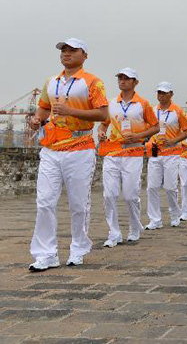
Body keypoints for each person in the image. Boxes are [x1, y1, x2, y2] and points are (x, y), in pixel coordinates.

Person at [28, 38, 108, 271]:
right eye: (64, 50)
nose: (67, 53)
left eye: (73, 50)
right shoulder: (51, 82)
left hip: (79, 148)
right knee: (44, 202)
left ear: (85, 55)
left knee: (78, 204)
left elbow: (103, 115)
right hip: (51, 149)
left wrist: (71, 110)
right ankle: (46, 254)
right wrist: (37, 120)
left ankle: (78, 248)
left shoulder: (93, 83)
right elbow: (43, 108)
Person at [98, 68, 159, 246]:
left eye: (127, 78)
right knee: (109, 194)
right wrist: (101, 133)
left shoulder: (143, 104)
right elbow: (103, 125)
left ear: (135, 83)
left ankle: (134, 228)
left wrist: (140, 136)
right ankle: (114, 233)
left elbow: (155, 127)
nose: (123, 81)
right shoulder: (111, 103)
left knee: (131, 194)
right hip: (113, 151)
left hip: (133, 151)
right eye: (120, 78)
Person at [144, 82, 187, 229]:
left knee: (170, 187)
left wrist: (174, 140)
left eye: (164, 93)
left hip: (172, 153)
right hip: (155, 151)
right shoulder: (152, 110)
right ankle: (155, 219)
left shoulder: (177, 111)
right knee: (151, 187)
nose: (161, 96)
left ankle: (175, 214)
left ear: (171, 94)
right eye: (159, 93)